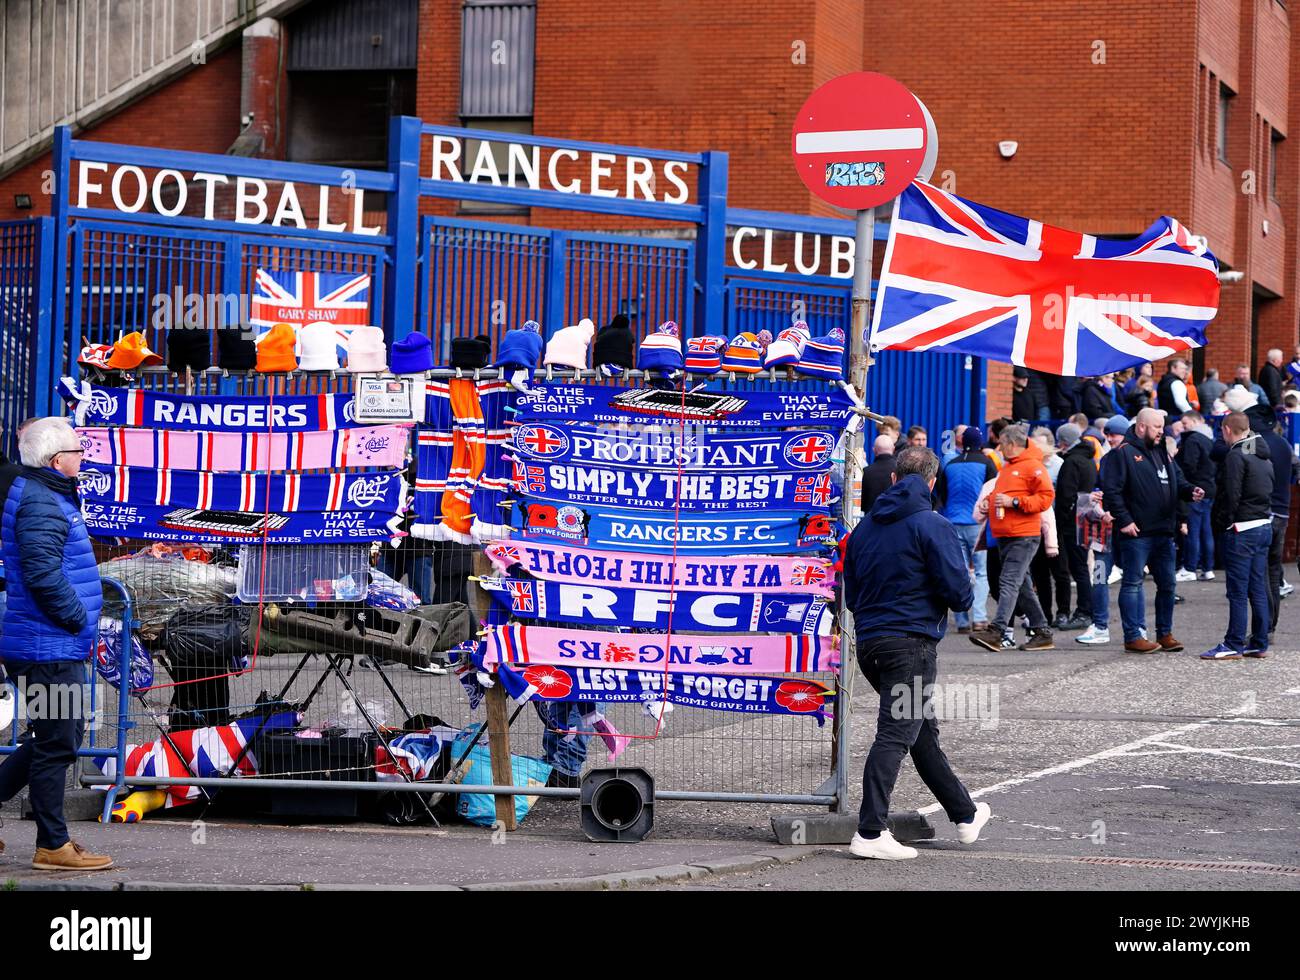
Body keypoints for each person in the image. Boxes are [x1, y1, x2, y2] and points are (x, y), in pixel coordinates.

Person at [842, 446, 991, 860]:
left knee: (919, 731)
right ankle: (870, 832)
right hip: (911, 644)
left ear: (893, 478)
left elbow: (852, 595)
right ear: (931, 481)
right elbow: (960, 595)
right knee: (896, 734)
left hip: (871, 643)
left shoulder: (862, 530)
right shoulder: (932, 524)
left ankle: (964, 814)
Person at [0, 418, 113, 870]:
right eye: (77, 451)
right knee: (56, 743)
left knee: (54, 736)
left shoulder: (44, 495)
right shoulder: (42, 502)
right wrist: (77, 617)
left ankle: (54, 840)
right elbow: (43, 574)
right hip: (48, 645)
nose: (83, 457)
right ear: (56, 459)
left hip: (48, 643)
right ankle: (52, 845)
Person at [1100, 408, 1205, 654]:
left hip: (1163, 532)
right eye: (1157, 427)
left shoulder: (1163, 452)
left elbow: (1178, 481)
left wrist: (1191, 492)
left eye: (1162, 426)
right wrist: (1124, 520)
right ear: (1142, 427)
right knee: (1133, 583)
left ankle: (1165, 633)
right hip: (1137, 534)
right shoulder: (1123, 454)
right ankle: (1133, 636)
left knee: (1168, 585)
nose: (1161, 431)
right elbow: (1112, 491)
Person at [969, 425, 1056, 652]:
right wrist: (989, 502)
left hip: (1023, 535)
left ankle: (997, 631)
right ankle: (1043, 632)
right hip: (1006, 535)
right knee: (1023, 586)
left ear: (1012, 444)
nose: (999, 447)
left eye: (1002, 443)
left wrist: (1015, 503)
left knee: (1008, 581)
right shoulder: (1009, 467)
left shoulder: (1033, 467)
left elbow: (1046, 498)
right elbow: (1001, 493)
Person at [1202, 412, 1274, 660]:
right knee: (1258, 588)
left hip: (1242, 528)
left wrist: (1225, 522)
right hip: (1263, 524)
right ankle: (1259, 641)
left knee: (1237, 591)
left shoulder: (1236, 455)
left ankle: (1233, 642)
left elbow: (1231, 493)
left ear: (1226, 430)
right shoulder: (1262, 454)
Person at [1225, 387, 1295, 634]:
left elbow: (1238, 476)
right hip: (1282, 511)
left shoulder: (1250, 447)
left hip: (1259, 514)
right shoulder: (1284, 445)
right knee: (1273, 571)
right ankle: (1270, 623)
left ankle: (1262, 627)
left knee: (1258, 576)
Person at [933, 426, 998, 632]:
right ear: (980, 443)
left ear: (962, 442)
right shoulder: (987, 464)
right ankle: (979, 617)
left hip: (952, 523)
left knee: (958, 571)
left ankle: (961, 621)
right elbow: (993, 492)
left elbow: (941, 494)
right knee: (981, 573)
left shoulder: (950, 464)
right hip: (978, 525)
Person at [1054, 423, 1097, 631]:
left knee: (1078, 568)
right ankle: (1087, 609)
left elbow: (1065, 496)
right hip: (1087, 517)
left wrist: (1059, 521)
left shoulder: (1071, 462)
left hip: (1072, 521)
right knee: (1083, 568)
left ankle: (1084, 611)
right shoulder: (1089, 460)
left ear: (1064, 441)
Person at [1029, 427, 1070, 625]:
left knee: (1060, 571)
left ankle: (1063, 611)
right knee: (1040, 574)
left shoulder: (1059, 465)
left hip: (1054, 525)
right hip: (1034, 524)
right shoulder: (1030, 466)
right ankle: (1045, 614)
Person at [1177, 411, 1218, 581]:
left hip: (1196, 489)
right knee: (1206, 529)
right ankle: (1208, 568)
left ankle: (1190, 568)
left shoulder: (1193, 440)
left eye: (1185, 423)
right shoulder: (1209, 439)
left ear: (1194, 421)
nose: (1182, 426)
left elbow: (1189, 465)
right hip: (1210, 488)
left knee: (1193, 529)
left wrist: (1186, 485)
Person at [860, 434, 898, 513]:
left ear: (874, 450)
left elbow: (862, 502)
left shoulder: (866, 472)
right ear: (893, 449)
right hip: (894, 519)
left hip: (871, 519)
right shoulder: (900, 470)